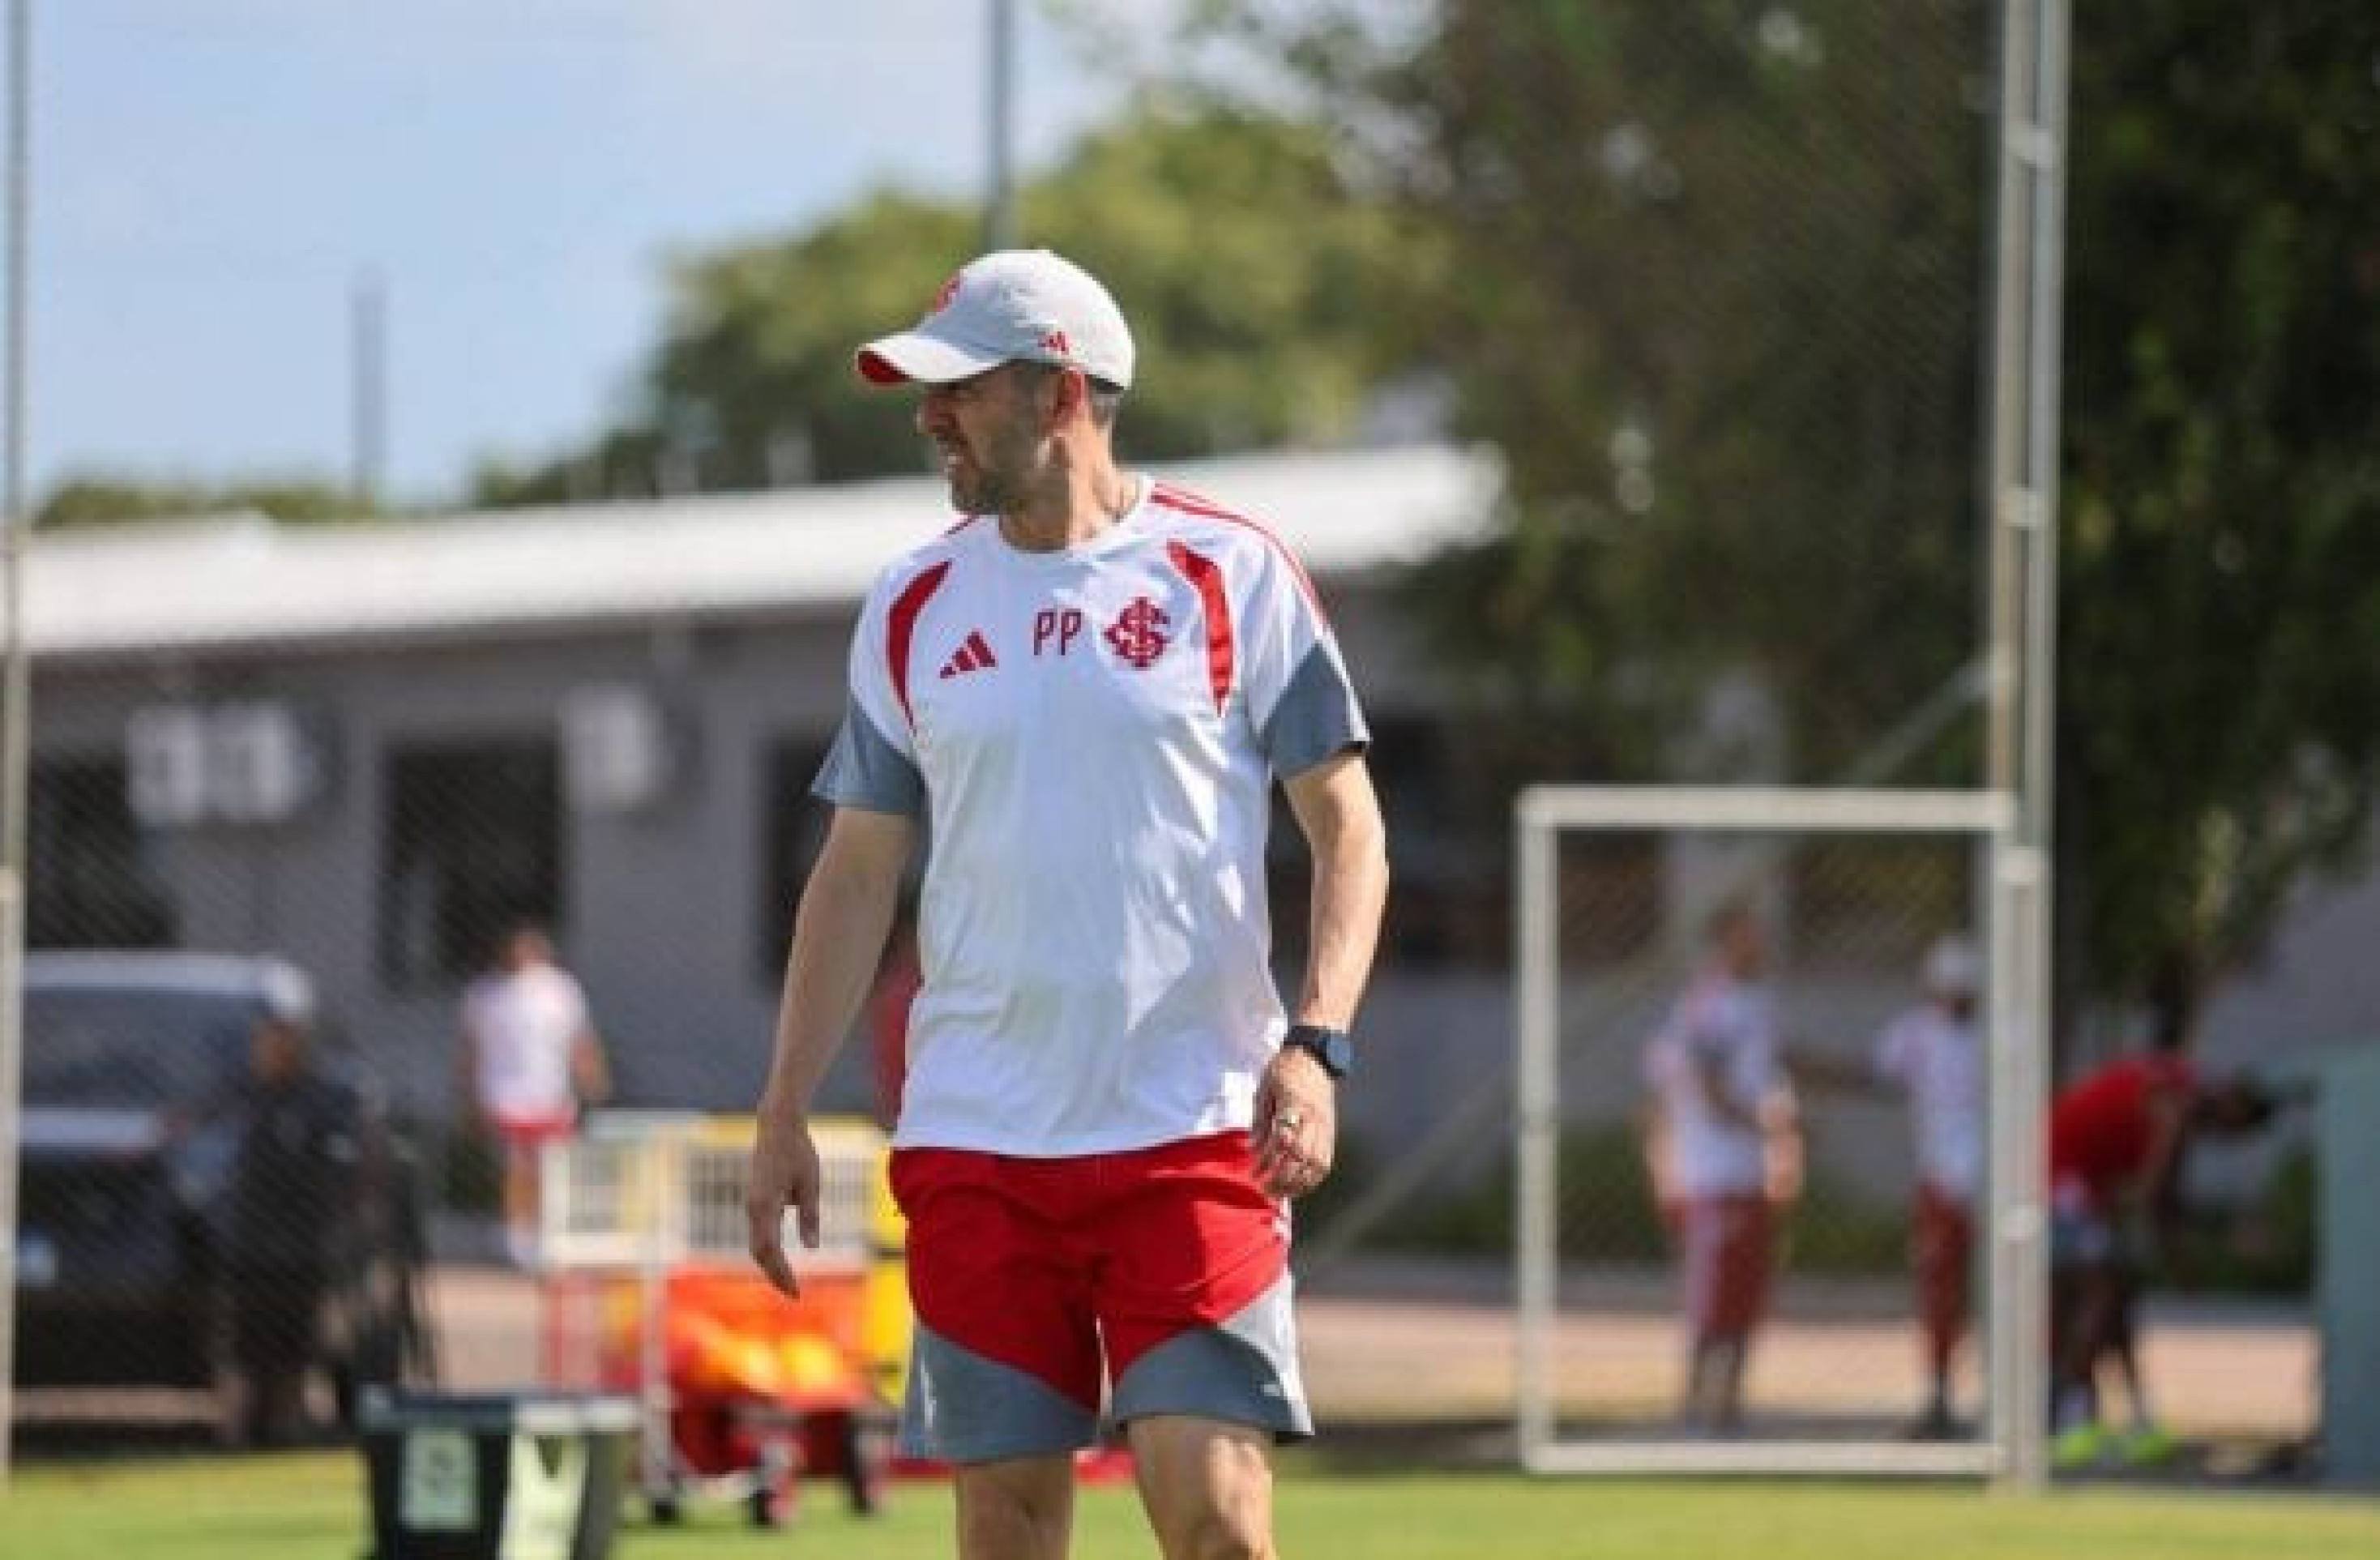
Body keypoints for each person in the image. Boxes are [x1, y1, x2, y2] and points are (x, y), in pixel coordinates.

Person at [744, 248, 1388, 1560]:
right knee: (1007, 1537)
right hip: (978, 1143)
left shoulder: (1235, 572)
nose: (930, 418)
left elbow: (1349, 829)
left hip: (1193, 1132)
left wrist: (1314, 1042)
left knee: (1215, 1522)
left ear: (1060, 395)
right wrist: (782, 1108)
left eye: (958, 390)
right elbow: (857, 870)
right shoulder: (910, 602)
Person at [2046, 984, 2274, 1470]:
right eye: (2235, 1129)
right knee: (2100, 1292)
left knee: (2118, 1300)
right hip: (2059, 1174)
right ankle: (2068, 1420)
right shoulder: (2179, 1104)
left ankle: (2136, 1419)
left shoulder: (2183, 1088)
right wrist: (2184, 1258)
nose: (2226, 1140)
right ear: (2230, 1105)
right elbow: (2154, 1194)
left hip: (2090, 1182)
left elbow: (2158, 1193)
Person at [1640, 902, 1802, 1434]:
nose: (1758, 944)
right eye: (1748, 935)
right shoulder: (1706, 1006)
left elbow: (1779, 1065)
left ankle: (1728, 1406)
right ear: (1725, 941)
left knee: (1745, 1295)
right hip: (1711, 1174)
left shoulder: (1757, 1002)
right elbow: (1706, 1090)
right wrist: (1768, 1130)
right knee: (1708, 1298)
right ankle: (1693, 1405)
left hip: (1749, 1172)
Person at [223, 1009, 358, 1447]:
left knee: (296, 1348)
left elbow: (342, 1173)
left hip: (303, 1249)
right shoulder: (244, 1100)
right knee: (246, 1347)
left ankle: (289, 1425)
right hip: (250, 1248)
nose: (269, 1055)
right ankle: (238, 1432)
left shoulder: (317, 1104)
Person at [1869, 934, 1985, 1438]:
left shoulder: (1998, 1035)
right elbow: (1882, 1076)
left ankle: (2016, 1397)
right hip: (1940, 1179)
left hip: (1992, 1182)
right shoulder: (1914, 1034)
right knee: (1940, 1291)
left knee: (2004, 1291)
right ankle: (1938, 1393)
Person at [456, 922, 610, 1268]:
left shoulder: (560, 991)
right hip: (504, 1095)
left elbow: (579, 1039)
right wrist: (468, 1096)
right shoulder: (485, 995)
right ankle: (518, 1237)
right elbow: (470, 1050)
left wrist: (591, 1078)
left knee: (546, 1168)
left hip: (550, 1093)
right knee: (515, 1166)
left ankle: (541, 1234)